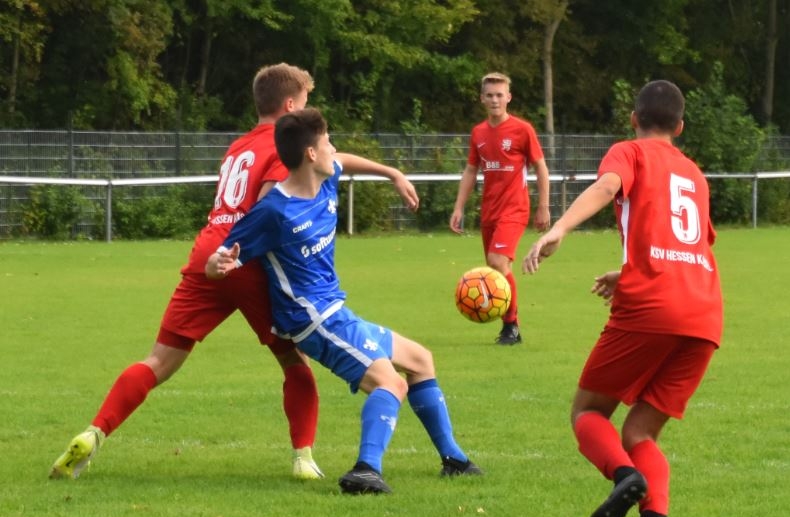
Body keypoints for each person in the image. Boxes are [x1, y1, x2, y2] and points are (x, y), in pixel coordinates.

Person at [50, 63, 325, 481]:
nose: (306, 113)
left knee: (159, 360)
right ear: (290, 105)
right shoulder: (282, 145)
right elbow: (268, 209)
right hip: (242, 257)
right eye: (304, 104)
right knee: (293, 360)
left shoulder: (238, 147)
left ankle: (93, 433)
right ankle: (303, 459)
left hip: (206, 252)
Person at [206, 107, 481, 495]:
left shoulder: (325, 178)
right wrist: (218, 264)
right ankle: (366, 470)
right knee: (390, 383)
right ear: (310, 154)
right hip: (311, 320)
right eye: (328, 142)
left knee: (420, 360)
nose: (333, 148)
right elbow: (218, 259)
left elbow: (344, 161)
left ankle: (454, 460)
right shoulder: (274, 211)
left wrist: (392, 173)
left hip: (335, 311)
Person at [523, 80, 723, 517]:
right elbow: (690, 245)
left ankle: (624, 476)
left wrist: (559, 228)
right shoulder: (694, 174)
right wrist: (628, 270)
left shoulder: (629, 152)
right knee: (640, 431)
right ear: (680, 127)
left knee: (587, 411)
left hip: (652, 306)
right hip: (705, 313)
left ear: (634, 119)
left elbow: (608, 185)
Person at [450, 71, 551, 345]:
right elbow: (471, 170)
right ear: (482, 99)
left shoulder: (522, 130)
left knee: (497, 261)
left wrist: (543, 206)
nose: (495, 100)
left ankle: (511, 326)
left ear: (509, 97)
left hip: (515, 209)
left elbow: (541, 167)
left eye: (499, 95)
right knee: (497, 268)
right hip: (489, 210)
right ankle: (509, 325)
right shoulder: (479, 133)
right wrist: (459, 207)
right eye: (490, 95)